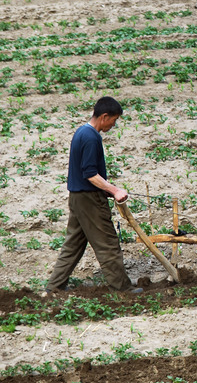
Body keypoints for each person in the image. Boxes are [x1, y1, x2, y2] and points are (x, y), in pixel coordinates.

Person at [45, 96, 142, 294]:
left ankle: (54, 286)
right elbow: (89, 173)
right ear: (104, 116)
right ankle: (122, 288)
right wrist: (114, 190)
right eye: (113, 120)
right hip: (89, 199)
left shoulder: (81, 132)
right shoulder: (91, 137)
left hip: (77, 197)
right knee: (107, 244)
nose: (113, 125)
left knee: (73, 245)